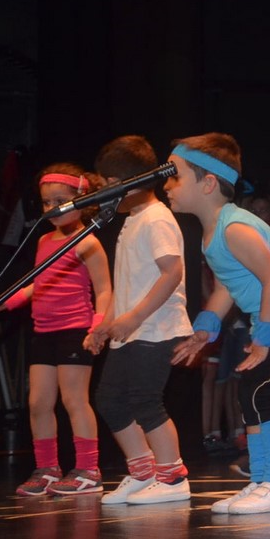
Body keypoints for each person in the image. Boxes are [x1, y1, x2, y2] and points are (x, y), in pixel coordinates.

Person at [167, 135, 270, 514]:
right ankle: (263, 479)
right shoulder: (213, 231)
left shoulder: (234, 227)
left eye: (175, 175)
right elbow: (228, 285)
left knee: (262, 391)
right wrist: (205, 328)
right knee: (250, 392)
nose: (167, 185)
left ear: (208, 183)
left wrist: (263, 338)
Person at [0, 163, 112, 496]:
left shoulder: (88, 242)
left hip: (75, 329)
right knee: (38, 403)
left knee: (74, 399)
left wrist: (98, 327)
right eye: (47, 202)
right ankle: (47, 468)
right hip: (43, 330)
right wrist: (8, 301)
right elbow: (39, 284)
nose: (53, 208)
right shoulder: (44, 239)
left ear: (82, 201)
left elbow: (104, 289)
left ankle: (88, 469)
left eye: (61, 201)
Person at [86, 136, 195, 504]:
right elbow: (127, 284)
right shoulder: (132, 220)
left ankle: (173, 478)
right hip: (131, 330)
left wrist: (132, 318)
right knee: (109, 399)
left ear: (125, 184)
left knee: (146, 401)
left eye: (107, 185)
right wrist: (106, 324)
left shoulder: (156, 218)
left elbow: (172, 272)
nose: (104, 194)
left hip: (156, 328)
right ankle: (143, 471)